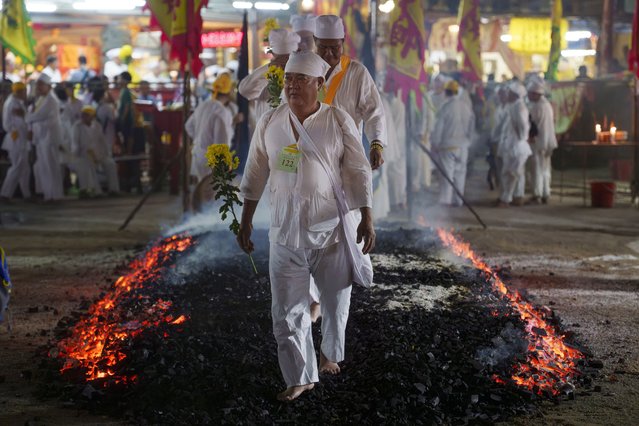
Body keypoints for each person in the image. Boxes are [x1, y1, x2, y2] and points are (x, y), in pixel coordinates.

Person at [237, 51, 374, 402]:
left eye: (300, 79)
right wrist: (246, 220)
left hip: (329, 230)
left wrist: (367, 217)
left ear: (319, 84)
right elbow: (255, 171)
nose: (292, 86)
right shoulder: (270, 122)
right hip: (284, 232)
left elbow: (358, 170)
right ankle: (300, 376)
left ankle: (330, 353)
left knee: (334, 299)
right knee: (286, 309)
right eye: (288, 79)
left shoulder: (337, 119)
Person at [313, 15, 386, 171]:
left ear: (343, 42)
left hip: (347, 158)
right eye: (323, 48)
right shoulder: (304, 72)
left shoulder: (357, 73)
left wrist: (376, 144)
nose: (328, 54)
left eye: (334, 48)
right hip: (311, 156)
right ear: (314, 41)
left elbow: (374, 112)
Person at [238, 29, 300, 124]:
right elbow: (244, 90)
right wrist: (270, 67)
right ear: (273, 55)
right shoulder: (265, 77)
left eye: (288, 59)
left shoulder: (303, 80)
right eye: (280, 59)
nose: (284, 64)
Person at [430, 80, 475, 206]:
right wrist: (468, 141)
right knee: (460, 173)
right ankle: (458, 200)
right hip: (463, 146)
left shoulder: (445, 107)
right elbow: (472, 126)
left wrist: (435, 143)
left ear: (446, 92)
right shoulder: (466, 107)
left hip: (447, 146)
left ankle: (445, 201)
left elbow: (438, 128)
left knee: (447, 175)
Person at [186, 73, 234, 182]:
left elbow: (188, 126)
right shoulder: (221, 112)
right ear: (228, 94)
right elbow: (221, 142)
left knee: (202, 192)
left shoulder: (203, 105)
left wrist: (199, 139)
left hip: (198, 155)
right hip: (211, 162)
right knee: (211, 195)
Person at [26, 74, 64, 201]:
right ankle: (49, 195)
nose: (38, 87)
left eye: (41, 85)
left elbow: (38, 116)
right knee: (44, 166)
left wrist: (26, 117)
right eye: (38, 85)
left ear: (48, 86)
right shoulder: (41, 99)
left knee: (51, 166)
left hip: (49, 137)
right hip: (42, 137)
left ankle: (55, 195)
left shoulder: (51, 100)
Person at [497, 82, 532, 207]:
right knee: (516, 172)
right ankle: (517, 196)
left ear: (516, 95)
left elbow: (523, 127)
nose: (507, 94)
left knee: (511, 172)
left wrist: (521, 139)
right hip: (511, 145)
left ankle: (506, 199)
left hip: (516, 146)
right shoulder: (512, 106)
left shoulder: (519, 107)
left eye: (510, 92)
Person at [526, 80, 557, 204]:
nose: (528, 96)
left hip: (538, 142)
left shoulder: (537, 107)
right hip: (548, 142)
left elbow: (532, 125)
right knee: (545, 169)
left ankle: (537, 194)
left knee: (536, 169)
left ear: (535, 94)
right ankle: (545, 193)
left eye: (529, 94)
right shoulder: (547, 105)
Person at [0, 83, 31, 201]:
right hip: (16, 139)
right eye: (24, 91)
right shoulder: (12, 103)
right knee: (17, 166)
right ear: (19, 92)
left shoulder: (16, 102)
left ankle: (26, 194)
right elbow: (12, 124)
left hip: (20, 139)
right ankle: (5, 194)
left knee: (24, 168)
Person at [65, 106, 103, 197]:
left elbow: (101, 141)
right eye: (84, 115)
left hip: (93, 154)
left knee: (94, 164)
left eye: (87, 115)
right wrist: (75, 155)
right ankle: (85, 190)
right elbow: (75, 144)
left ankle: (95, 190)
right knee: (85, 165)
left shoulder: (96, 126)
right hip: (78, 155)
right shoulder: (77, 126)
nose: (85, 117)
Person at [117, 71, 145, 193]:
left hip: (128, 127)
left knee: (130, 155)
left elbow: (127, 108)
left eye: (119, 78)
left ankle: (133, 184)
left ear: (124, 80)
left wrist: (122, 121)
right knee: (132, 157)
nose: (118, 81)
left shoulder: (126, 93)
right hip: (129, 127)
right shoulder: (125, 92)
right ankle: (133, 184)